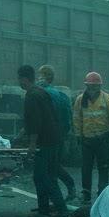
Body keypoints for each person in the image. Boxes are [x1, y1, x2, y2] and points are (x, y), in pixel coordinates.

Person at [17, 65, 67, 217]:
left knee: (41, 176)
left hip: (45, 142)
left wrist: (32, 144)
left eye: (19, 78)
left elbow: (35, 122)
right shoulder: (41, 92)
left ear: (24, 79)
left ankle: (60, 208)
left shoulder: (31, 95)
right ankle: (44, 208)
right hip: (55, 139)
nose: (18, 81)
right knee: (49, 175)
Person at [72, 72, 109, 203]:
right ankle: (86, 193)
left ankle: (103, 193)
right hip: (87, 139)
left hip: (103, 139)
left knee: (103, 167)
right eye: (90, 86)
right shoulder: (80, 100)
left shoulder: (107, 100)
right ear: (86, 86)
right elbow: (77, 118)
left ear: (100, 87)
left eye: (95, 87)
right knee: (86, 167)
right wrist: (77, 135)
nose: (92, 89)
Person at [38, 64, 77, 202]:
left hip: (48, 137)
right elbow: (68, 118)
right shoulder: (62, 95)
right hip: (60, 137)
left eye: (40, 74)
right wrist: (66, 135)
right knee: (53, 166)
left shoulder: (42, 93)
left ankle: (56, 202)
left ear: (42, 76)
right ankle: (68, 188)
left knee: (48, 169)